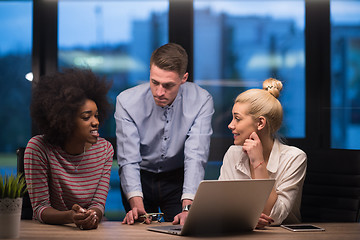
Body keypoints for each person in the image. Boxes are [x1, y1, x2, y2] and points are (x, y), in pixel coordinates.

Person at [115, 43, 214, 225]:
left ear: (184, 78)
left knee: (182, 230)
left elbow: (196, 155)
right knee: (138, 233)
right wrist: (136, 203)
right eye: (155, 82)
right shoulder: (126, 102)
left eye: (168, 85)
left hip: (177, 179)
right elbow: (128, 158)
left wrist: (187, 208)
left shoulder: (202, 100)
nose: (159, 92)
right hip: (140, 177)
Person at [24, 68, 114, 230]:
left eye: (96, 115)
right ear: (65, 120)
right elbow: (40, 208)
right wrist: (71, 217)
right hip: (49, 232)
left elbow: (98, 204)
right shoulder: (38, 148)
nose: (96, 122)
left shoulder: (105, 150)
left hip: (90, 231)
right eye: (86, 117)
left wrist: (91, 216)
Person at [218, 78, 307, 228]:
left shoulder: (295, 158)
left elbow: (273, 216)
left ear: (260, 123)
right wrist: (244, 217)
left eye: (237, 119)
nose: (230, 125)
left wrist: (258, 163)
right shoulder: (233, 153)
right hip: (240, 234)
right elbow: (219, 205)